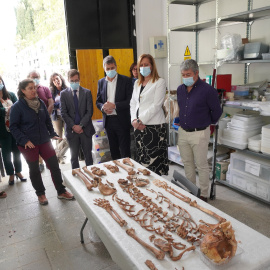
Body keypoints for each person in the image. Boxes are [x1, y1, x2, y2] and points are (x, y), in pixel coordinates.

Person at [9, 79, 74, 205]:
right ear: (23, 91)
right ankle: (41, 194)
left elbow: (47, 121)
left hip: (44, 140)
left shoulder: (40, 103)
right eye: (30, 88)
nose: (34, 90)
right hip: (28, 144)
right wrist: (24, 140)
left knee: (54, 166)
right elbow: (13, 127)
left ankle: (61, 191)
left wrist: (52, 133)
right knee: (34, 170)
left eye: (34, 87)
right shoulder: (17, 107)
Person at [176, 59, 222, 202]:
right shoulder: (180, 89)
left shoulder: (208, 90)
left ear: (196, 73)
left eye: (188, 74)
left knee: (201, 165)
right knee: (187, 163)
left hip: (199, 132)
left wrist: (206, 122)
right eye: (183, 74)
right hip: (183, 132)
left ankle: (203, 195)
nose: (185, 77)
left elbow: (217, 111)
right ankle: (191, 191)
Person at [130, 54, 169, 176]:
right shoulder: (137, 83)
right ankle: (145, 189)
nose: (143, 67)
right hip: (138, 127)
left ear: (152, 66)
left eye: (146, 64)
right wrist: (133, 120)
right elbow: (133, 103)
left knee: (154, 164)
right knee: (141, 162)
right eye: (141, 65)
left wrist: (140, 120)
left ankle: (157, 191)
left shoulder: (159, 82)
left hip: (154, 128)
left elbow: (157, 105)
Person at [96, 55, 133, 160]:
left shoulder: (126, 80)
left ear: (116, 67)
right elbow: (97, 101)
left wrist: (115, 105)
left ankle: (128, 173)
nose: (110, 70)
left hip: (121, 120)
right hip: (109, 122)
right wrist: (103, 107)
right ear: (104, 69)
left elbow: (130, 101)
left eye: (112, 68)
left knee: (125, 151)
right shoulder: (101, 82)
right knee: (113, 151)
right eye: (108, 69)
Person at [60, 69, 95, 169]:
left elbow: (89, 111)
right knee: (74, 157)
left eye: (76, 80)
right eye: (72, 81)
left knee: (88, 156)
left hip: (85, 129)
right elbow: (63, 113)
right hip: (72, 130)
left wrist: (81, 126)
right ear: (68, 80)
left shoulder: (87, 92)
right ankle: (76, 177)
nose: (74, 83)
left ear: (79, 80)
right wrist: (74, 126)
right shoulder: (64, 94)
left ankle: (92, 175)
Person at [0, 75, 26, 187]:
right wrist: (8, 109)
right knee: (6, 155)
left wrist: (6, 109)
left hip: (15, 129)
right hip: (2, 131)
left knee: (17, 152)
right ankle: (10, 174)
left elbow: (18, 105)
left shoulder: (10, 94)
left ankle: (18, 172)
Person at [28, 70, 54, 172]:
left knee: (47, 142)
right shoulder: (27, 91)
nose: (35, 79)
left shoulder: (45, 89)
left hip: (45, 119)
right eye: (33, 77)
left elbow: (51, 103)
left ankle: (49, 161)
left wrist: (44, 117)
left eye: (37, 77)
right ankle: (40, 163)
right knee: (37, 142)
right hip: (33, 123)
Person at [49, 72, 69, 164]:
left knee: (68, 136)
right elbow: (52, 104)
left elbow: (70, 103)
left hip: (67, 116)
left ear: (61, 79)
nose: (56, 81)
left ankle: (57, 154)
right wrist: (62, 104)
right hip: (56, 116)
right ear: (52, 82)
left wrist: (59, 105)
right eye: (54, 80)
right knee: (58, 137)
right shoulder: (51, 92)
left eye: (57, 78)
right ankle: (60, 158)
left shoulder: (67, 89)